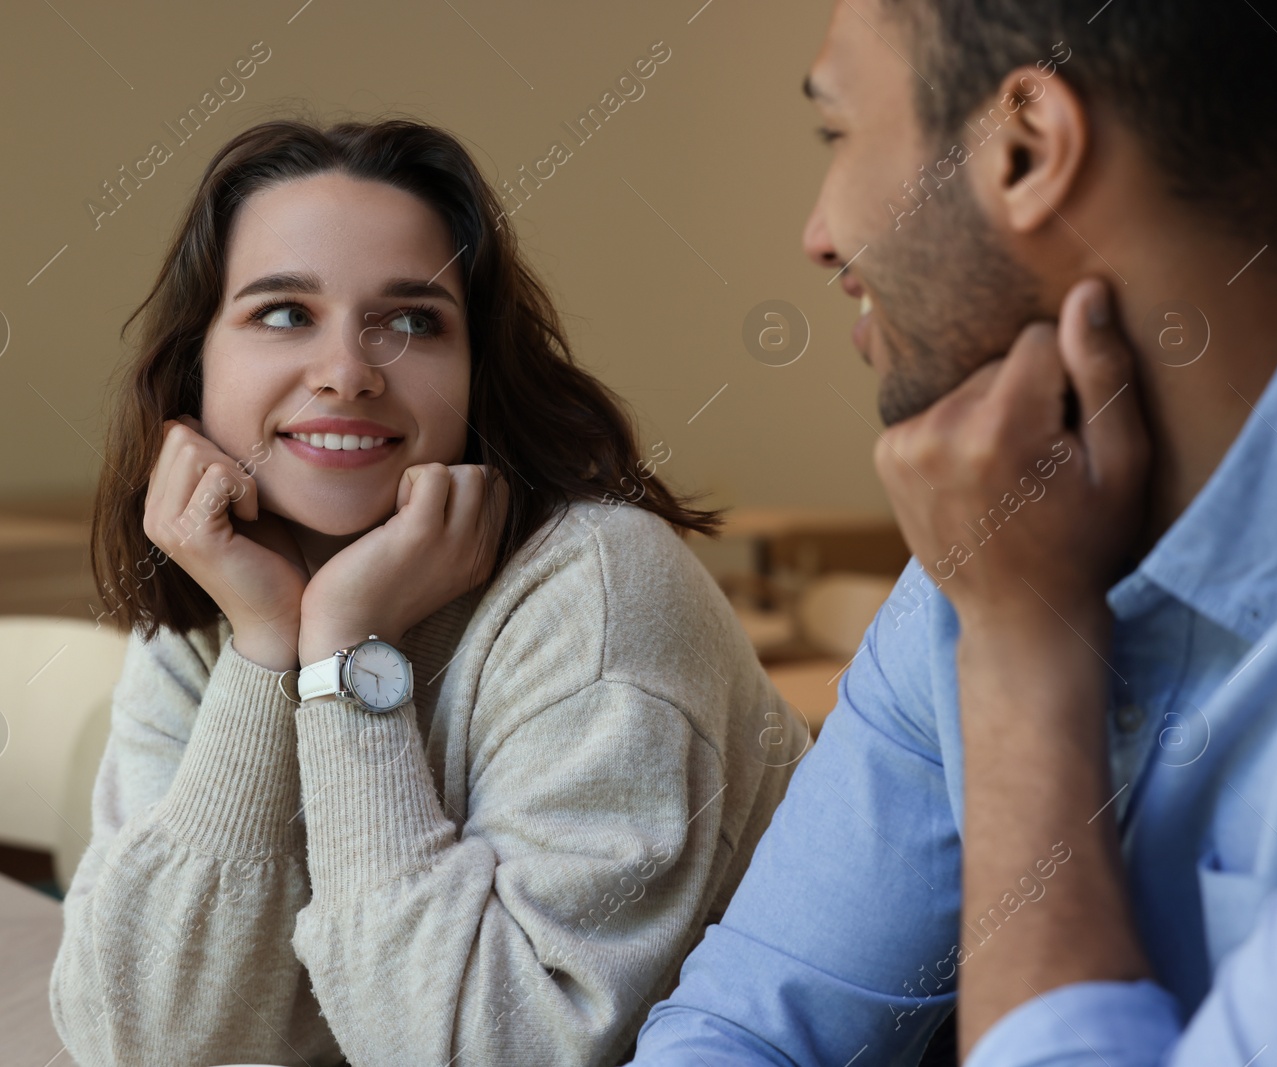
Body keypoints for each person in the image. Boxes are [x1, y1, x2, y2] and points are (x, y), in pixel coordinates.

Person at [631, 1, 1277, 1064]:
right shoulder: (1005, 513)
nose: (819, 235)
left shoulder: (1001, 576)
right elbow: (740, 1030)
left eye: (835, 134)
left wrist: (1025, 653)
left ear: (1025, 150)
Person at [49, 118, 800, 1067]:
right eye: (284, 312)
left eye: (410, 321)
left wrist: (346, 654)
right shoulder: (224, 592)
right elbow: (145, 1040)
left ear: (479, 369)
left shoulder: (603, 588)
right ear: (196, 364)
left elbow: (494, 1050)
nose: (347, 373)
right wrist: (269, 644)